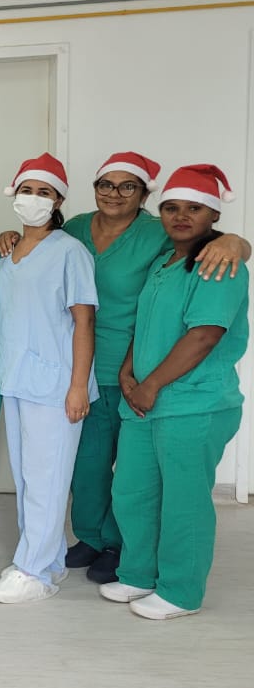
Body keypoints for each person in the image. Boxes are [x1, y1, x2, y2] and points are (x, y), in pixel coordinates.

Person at [0, 151, 249, 584]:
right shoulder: (75, 228)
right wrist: (8, 236)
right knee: (88, 465)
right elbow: (37, 245)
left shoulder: (159, 232)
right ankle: (92, 536)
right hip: (79, 363)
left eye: (127, 186)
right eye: (105, 184)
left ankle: (120, 546)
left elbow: (201, 244)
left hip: (133, 365)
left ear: (145, 194)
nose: (114, 193)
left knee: (130, 470)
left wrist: (237, 242)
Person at [99, 164, 249, 619]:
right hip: (144, 402)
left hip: (193, 403)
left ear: (214, 215)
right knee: (132, 491)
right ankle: (139, 573)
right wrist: (128, 372)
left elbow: (204, 334)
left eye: (194, 208)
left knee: (183, 501)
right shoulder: (164, 262)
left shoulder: (219, 263)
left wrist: (151, 384)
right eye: (171, 207)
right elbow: (144, 324)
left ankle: (181, 591)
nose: (181, 216)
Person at [0, 155, 98, 603]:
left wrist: (78, 386)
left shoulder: (70, 252)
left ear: (58, 200)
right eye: (26, 190)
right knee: (28, 478)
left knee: (48, 478)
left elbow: (85, 321)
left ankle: (32, 570)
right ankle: (47, 561)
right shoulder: (9, 252)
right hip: (16, 379)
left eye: (44, 192)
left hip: (56, 383)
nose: (33, 199)